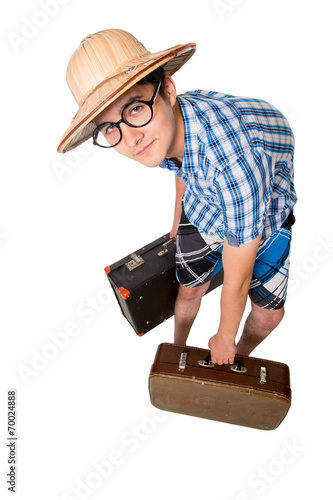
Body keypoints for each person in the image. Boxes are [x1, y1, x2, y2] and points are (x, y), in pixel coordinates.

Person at [57, 29, 297, 365]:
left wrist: (224, 336)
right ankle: (179, 352)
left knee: (268, 316)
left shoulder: (234, 160)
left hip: (264, 204)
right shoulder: (163, 126)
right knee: (188, 290)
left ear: (167, 89)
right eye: (110, 128)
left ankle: (228, 362)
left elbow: (237, 273)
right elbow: (181, 163)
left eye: (135, 108)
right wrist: (178, 213)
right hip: (205, 201)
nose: (130, 139)